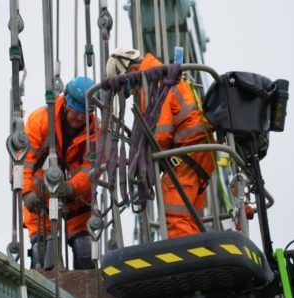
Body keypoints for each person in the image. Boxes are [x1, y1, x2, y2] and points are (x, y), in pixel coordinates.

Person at [106, 48, 215, 239]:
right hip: (200, 150)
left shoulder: (154, 81)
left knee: (173, 212)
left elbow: (162, 133)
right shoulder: (163, 74)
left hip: (189, 150)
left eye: (127, 86)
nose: (130, 92)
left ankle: (185, 260)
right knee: (190, 217)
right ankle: (199, 253)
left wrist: (141, 155)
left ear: (131, 69)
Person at [22, 76, 96, 269]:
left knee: (84, 250)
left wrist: (71, 187)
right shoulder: (40, 121)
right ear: (67, 105)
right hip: (41, 194)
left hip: (77, 194)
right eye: (77, 112)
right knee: (42, 249)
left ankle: (84, 281)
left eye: (85, 114)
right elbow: (24, 160)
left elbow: (92, 169)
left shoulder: (95, 130)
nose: (80, 118)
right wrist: (26, 192)